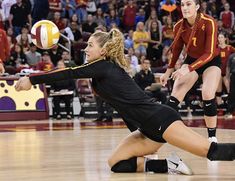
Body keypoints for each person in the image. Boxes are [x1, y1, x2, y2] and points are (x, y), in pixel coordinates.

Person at [15, 28, 235, 175]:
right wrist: (142, 141)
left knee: (213, 152)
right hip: (146, 129)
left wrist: (32, 79)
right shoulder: (100, 74)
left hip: (161, 120)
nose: (86, 49)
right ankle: (169, 164)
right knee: (117, 164)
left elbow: (69, 73)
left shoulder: (104, 66)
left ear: (103, 50)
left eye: (90, 45)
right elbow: (124, 109)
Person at [160, 0, 221, 143]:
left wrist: (188, 68)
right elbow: (176, 50)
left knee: (207, 93)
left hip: (211, 61)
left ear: (197, 6)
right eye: (182, 5)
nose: (185, 8)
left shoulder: (209, 22)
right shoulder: (178, 26)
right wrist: (168, 72)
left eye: (189, 4)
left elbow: (210, 53)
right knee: (177, 92)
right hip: (191, 60)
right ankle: (160, 130)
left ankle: (212, 137)